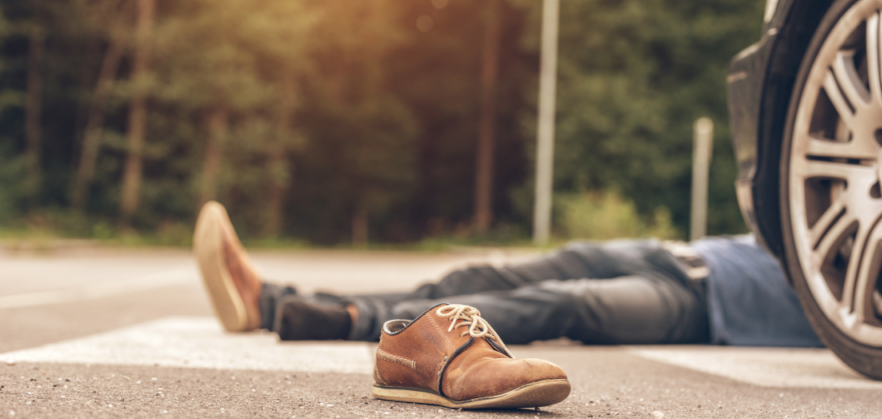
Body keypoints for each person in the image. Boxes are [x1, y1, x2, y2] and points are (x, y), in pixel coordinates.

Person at [191, 201, 822, 408]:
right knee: (483, 272)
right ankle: (276, 303)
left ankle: (336, 319)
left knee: (561, 303)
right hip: (672, 253)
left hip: (703, 307)